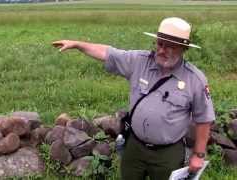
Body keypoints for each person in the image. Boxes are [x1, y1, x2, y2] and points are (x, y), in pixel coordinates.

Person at [52, 17, 215, 180]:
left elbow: (204, 119)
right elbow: (109, 53)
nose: (162, 50)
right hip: (134, 146)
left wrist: (199, 155)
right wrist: (78, 44)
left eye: (170, 47)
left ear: (182, 49)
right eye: (159, 44)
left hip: (167, 153)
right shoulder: (139, 61)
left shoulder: (195, 79)